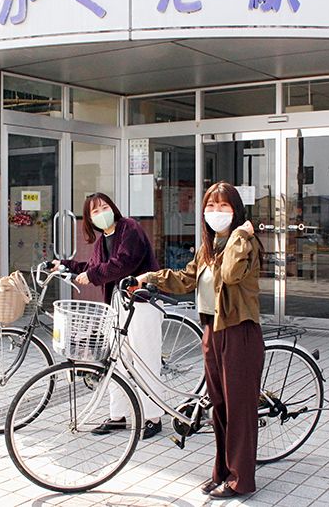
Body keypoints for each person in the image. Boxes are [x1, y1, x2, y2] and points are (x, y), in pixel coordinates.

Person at [137, 182, 265, 500]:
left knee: (239, 410)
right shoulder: (210, 247)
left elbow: (232, 275)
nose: (215, 213)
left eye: (223, 207)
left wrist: (240, 234)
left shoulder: (243, 243)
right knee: (219, 407)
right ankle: (222, 471)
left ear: (237, 211)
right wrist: (150, 277)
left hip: (239, 333)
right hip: (212, 331)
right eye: (210, 206)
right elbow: (186, 279)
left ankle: (241, 479)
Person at [53, 192, 164, 440]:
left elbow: (123, 264)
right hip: (117, 305)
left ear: (113, 208)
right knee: (116, 361)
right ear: (90, 220)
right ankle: (118, 416)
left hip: (141, 302)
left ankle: (152, 417)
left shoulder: (130, 228)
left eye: (104, 206)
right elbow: (93, 268)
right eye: (94, 211)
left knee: (145, 360)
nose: (101, 212)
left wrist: (92, 276)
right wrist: (64, 265)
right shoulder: (102, 240)